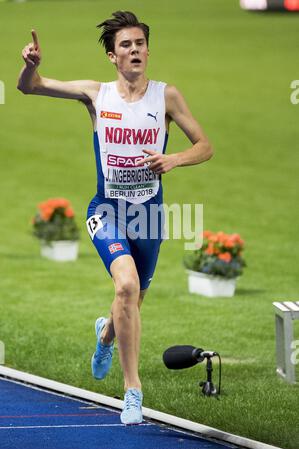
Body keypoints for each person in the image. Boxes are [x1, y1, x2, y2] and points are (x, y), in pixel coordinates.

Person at [18, 11, 213, 425]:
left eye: (140, 43)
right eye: (125, 45)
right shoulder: (96, 94)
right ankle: (132, 391)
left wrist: (174, 158)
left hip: (150, 218)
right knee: (125, 285)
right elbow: (30, 88)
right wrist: (30, 67)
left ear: (147, 49)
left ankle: (105, 334)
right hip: (106, 210)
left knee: (132, 302)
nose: (135, 50)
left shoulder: (167, 97)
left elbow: (205, 146)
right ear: (112, 55)